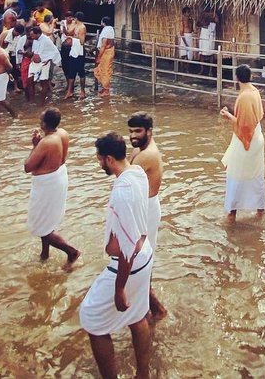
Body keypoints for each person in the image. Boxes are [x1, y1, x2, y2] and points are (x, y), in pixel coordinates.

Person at [79, 132, 153, 379]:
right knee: (138, 316)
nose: (99, 164)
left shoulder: (122, 191)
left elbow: (126, 248)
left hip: (128, 263)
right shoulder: (137, 172)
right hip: (145, 255)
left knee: (90, 318)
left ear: (110, 159)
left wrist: (119, 288)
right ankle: (143, 374)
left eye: (100, 159)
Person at [23, 107, 80, 270]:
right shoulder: (62, 133)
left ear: (45, 124)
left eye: (41, 121)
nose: (39, 123)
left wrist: (35, 145)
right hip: (59, 177)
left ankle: (71, 252)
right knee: (46, 220)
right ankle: (45, 253)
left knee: (40, 225)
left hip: (47, 183)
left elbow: (27, 167)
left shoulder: (47, 142)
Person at [128, 111, 166, 320]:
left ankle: (157, 310)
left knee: (140, 261)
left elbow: (123, 178)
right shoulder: (142, 149)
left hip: (146, 211)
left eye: (138, 131)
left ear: (149, 132)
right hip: (145, 208)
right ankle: (149, 308)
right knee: (140, 261)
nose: (133, 135)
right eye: (131, 131)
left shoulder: (146, 155)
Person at [219, 63, 265, 222]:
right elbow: (255, 118)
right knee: (255, 175)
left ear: (236, 77)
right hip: (257, 136)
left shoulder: (245, 96)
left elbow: (245, 126)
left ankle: (232, 213)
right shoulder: (254, 91)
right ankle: (260, 210)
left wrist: (228, 116)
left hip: (248, 139)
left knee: (235, 174)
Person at [94, 16, 115, 96]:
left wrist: (99, 57)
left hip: (106, 53)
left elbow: (104, 45)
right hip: (109, 51)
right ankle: (104, 88)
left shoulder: (106, 31)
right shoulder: (110, 29)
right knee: (104, 70)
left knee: (105, 71)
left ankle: (106, 91)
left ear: (103, 22)